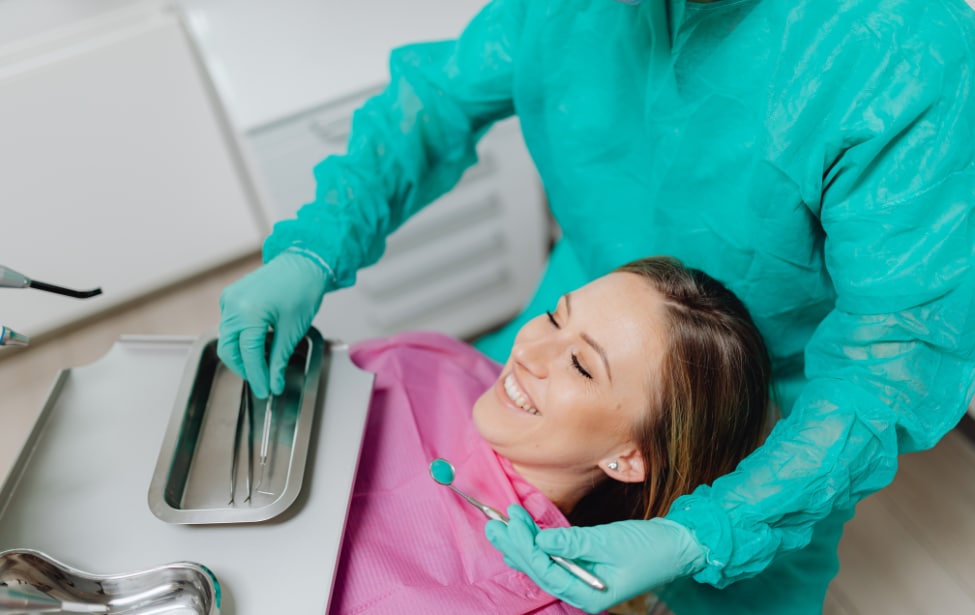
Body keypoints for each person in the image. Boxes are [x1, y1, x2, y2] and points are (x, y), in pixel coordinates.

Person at [217, 0, 975, 612]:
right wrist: (311, 248)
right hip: (591, 298)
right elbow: (439, 98)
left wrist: (707, 532)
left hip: (771, 411)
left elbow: (895, 358)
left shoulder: (901, 52)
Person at [330, 257, 771, 614]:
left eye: (580, 365)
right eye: (554, 318)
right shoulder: (427, 360)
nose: (526, 352)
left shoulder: (543, 599)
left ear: (631, 456)